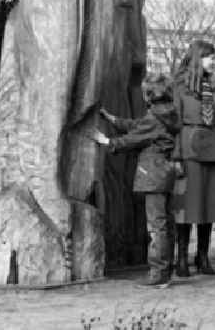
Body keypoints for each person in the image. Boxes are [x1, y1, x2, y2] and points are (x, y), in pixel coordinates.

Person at [91, 74, 180, 286]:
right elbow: (138, 126)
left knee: (156, 226)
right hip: (165, 174)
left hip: (153, 175)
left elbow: (133, 138)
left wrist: (106, 141)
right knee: (166, 224)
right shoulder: (167, 114)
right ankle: (165, 271)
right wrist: (111, 119)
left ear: (148, 95)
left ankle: (158, 274)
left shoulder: (154, 118)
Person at [170, 40, 215, 277]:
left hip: (214, 150)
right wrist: (176, 156)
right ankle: (181, 259)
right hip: (189, 147)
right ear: (197, 58)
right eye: (209, 57)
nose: (214, 61)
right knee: (187, 207)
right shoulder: (179, 86)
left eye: (214, 57)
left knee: (210, 205)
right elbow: (174, 123)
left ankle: (202, 257)